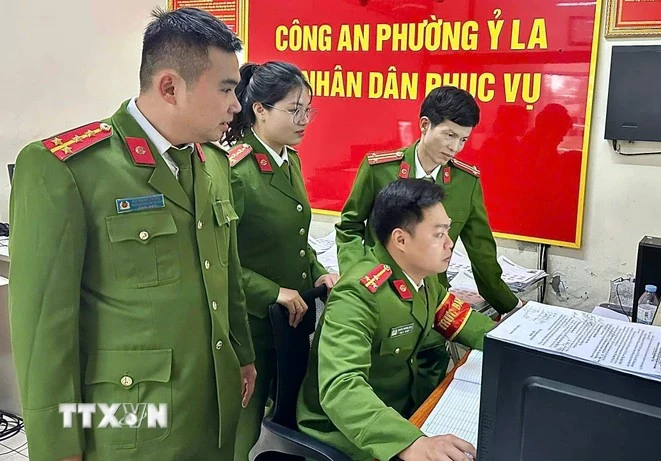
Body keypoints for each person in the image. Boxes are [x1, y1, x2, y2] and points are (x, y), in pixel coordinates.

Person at [8, 8, 256, 461]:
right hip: (130, 423)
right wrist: (57, 446)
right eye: (225, 89)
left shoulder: (213, 165)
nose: (236, 105)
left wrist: (242, 353)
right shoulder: (70, 169)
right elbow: (43, 331)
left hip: (213, 411)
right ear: (169, 87)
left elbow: (227, 272)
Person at [335, 85, 521, 399]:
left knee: (429, 401)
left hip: (432, 310)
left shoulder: (466, 182)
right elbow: (349, 228)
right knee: (379, 393)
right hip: (381, 309)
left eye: (463, 139)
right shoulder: (381, 169)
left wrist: (511, 306)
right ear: (425, 125)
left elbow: (482, 253)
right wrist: (363, 284)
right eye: (449, 135)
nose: (456, 148)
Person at [297, 179, 496, 461]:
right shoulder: (358, 294)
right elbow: (342, 387)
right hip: (352, 429)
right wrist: (409, 443)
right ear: (400, 239)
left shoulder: (422, 280)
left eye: (447, 232)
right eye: (438, 235)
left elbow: (464, 323)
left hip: (403, 409)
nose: (450, 244)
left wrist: (514, 347)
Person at [222, 61, 339, 460]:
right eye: (295, 110)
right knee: (242, 425)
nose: (305, 119)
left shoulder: (289, 159)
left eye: (309, 109)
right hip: (251, 322)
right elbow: (219, 258)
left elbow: (294, 238)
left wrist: (321, 274)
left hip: (288, 319)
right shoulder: (234, 170)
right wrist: (271, 291)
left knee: (281, 412)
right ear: (260, 110)